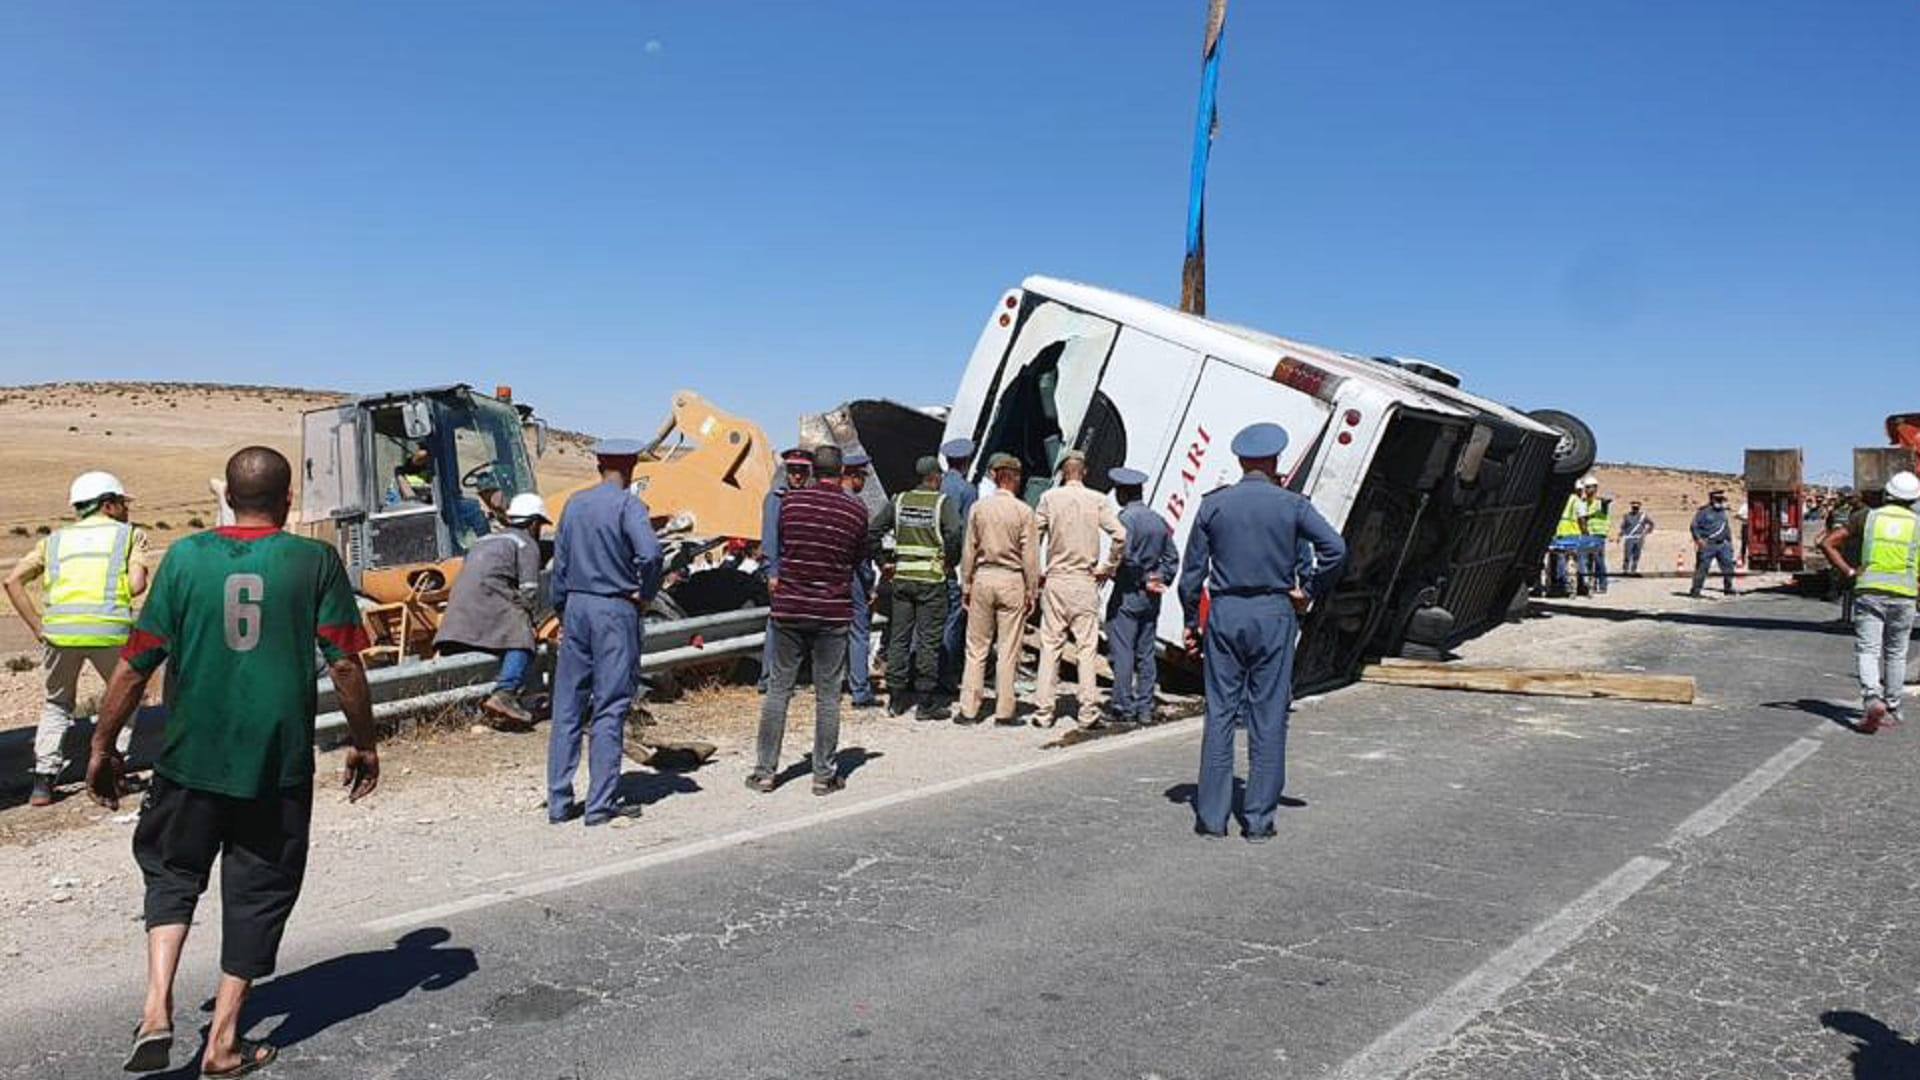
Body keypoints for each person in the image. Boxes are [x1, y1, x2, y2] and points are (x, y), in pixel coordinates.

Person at [84, 446, 380, 1078]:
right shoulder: (315, 560)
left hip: (188, 756)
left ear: (229, 497)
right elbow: (346, 662)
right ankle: (221, 1043)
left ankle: (157, 1006)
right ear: (287, 500)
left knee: (171, 873)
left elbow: (138, 663)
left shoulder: (186, 558)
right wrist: (366, 741)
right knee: (260, 891)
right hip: (275, 765)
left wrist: (102, 745)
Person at [1179, 423, 1347, 843]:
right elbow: (1335, 549)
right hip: (1273, 612)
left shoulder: (1213, 506)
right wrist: (1308, 590)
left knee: (1219, 714)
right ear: (1275, 461)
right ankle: (1257, 820)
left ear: (1239, 461)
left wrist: (1190, 622)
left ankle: (1212, 818)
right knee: (1268, 716)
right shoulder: (1292, 506)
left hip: (1226, 611)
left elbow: (1190, 576)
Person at [3, 471, 149, 807]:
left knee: (56, 703)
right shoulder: (130, 536)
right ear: (109, 505)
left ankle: (43, 781)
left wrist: (37, 626)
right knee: (124, 699)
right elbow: (138, 585)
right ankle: (113, 768)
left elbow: (12, 581)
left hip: (59, 632)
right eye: (122, 503)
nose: (126, 510)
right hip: (109, 629)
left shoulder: (53, 540)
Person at [547, 439, 663, 826]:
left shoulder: (575, 504)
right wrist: (644, 594)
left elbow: (559, 563)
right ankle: (599, 805)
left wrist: (563, 607)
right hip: (614, 608)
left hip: (577, 606)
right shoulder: (629, 505)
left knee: (567, 706)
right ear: (631, 467)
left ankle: (559, 803)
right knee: (609, 706)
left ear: (598, 463)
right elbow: (650, 554)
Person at [747, 445, 871, 795]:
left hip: (790, 609)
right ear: (842, 470)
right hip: (832, 612)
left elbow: (779, 547)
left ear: (813, 470)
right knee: (828, 696)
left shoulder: (791, 503)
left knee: (778, 691)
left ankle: (765, 772)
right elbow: (859, 558)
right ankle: (823, 775)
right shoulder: (855, 510)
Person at [434, 493, 550, 731]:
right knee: (522, 634)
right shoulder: (525, 543)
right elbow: (529, 592)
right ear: (534, 523)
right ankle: (505, 692)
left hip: (457, 612)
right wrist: (536, 620)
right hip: (491, 601)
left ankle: (465, 711)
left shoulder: (482, 540)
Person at [1820, 471, 1920, 733]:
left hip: (1870, 591)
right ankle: (1893, 705)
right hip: (1905, 594)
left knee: (1868, 649)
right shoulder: (1918, 523)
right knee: (1897, 652)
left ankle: (1871, 698)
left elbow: (1827, 543)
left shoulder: (1868, 517)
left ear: (1888, 493)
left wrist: (1850, 572)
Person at [1032, 449, 1127, 727]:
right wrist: (1108, 566)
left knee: (1050, 645)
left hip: (1057, 579)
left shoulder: (1048, 498)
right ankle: (1087, 712)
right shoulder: (1097, 499)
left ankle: (1044, 712)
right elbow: (1120, 535)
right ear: (1084, 472)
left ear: (1062, 471)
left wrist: (1036, 572)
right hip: (1085, 579)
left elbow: (1034, 537)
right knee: (1086, 648)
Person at [870, 456, 963, 720]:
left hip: (902, 580)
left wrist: (883, 562)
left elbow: (873, 531)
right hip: (931, 582)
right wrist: (950, 561)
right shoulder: (942, 503)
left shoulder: (898, 501)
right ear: (935, 477)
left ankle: (896, 699)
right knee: (928, 640)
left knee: (899, 638)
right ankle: (925, 702)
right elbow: (955, 534)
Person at [957, 453, 1039, 726]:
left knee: (976, 646)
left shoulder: (979, 508)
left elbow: (969, 549)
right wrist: (1032, 590)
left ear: (994, 475)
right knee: (1008, 648)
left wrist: (966, 583)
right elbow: (1030, 556)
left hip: (983, 577)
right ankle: (1004, 710)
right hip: (1012, 579)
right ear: (1016, 479)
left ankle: (969, 708)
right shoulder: (1024, 511)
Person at [1105, 467, 1178, 726]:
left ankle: (1123, 705)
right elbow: (1172, 558)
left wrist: (1143, 578)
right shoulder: (1157, 520)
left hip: (1128, 593)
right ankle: (1145, 707)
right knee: (1146, 652)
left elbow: (1127, 557)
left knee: (1122, 650)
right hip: (1151, 598)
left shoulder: (1126, 519)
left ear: (1123, 492)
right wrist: (1160, 578)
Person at [758, 447, 814, 694]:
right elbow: (770, 538)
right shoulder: (776, 498)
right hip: (783, 570)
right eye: (793, 470)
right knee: (779, 624)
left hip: (802, 571)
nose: (797, 476)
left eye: (802, 471)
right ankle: (769, 678)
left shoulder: (809, 498)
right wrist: (773, 571)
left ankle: (789, 676)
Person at [938, 437, 980, 696]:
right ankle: (947, 676)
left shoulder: (936, 485)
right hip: (952, 564)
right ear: (966, 462)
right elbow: (969, 535)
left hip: (931, 562)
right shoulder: (967, 491)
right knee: (952, 620)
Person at [839, 451, 881, 709]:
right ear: (853, 476)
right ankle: (860, 691)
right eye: (862, 476)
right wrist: (869, 583)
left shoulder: (826, 500)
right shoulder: (856, 505)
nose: (863, 481)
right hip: (851, 575)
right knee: (859, 630)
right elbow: (862, 550)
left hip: (827, 574)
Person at [1549, 480, 1596, 595]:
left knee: (1560, 560)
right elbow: (1581, 519)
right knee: (1580, 559)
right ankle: (1581, 583)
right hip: (1573, 534)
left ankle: (1559, 584)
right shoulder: (1577, 501)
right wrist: (1586, 533)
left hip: (1558, 533)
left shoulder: (1558, 499)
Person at [1689, 489, 1737, 598]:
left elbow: (1726, 528)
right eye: (1717, 499)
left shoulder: (1723, 512)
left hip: (1723, 545)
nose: (1720, 501)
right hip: (1708, 544)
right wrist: (1698, 539)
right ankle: (1696, 590)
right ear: (1711, 499)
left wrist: (1729, 543)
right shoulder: (1703, 512)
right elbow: (1694, 526)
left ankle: (1728, 588)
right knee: (1702, 567)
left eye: (1721, 499)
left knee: (1728, 566)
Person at [1585, 482, 1612, 594]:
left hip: (1598, 535)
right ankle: (1592, 584)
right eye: (1586, 487)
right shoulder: (1584, 502)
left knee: (1598, 561)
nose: (1588, 490)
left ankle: (1602, 584)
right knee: (1588, 561)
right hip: (1587, 534)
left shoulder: (1600, 502)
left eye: (1590, 487)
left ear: (1595, 489)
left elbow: (1606, 502)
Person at [1619, 500, 1654, 575]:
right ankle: (1625, 570)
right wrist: (1621, 534)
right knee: (1627, 554)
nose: (1635, 509)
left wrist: (1647, 532)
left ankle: (1633, 570)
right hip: (1629, 537)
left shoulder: (1643, 516)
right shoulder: (1627, 516)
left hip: (1639, 538)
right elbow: (1623, 526)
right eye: (1634, 507)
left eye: (1636, 508)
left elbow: (1651, 524)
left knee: (1636, 554)